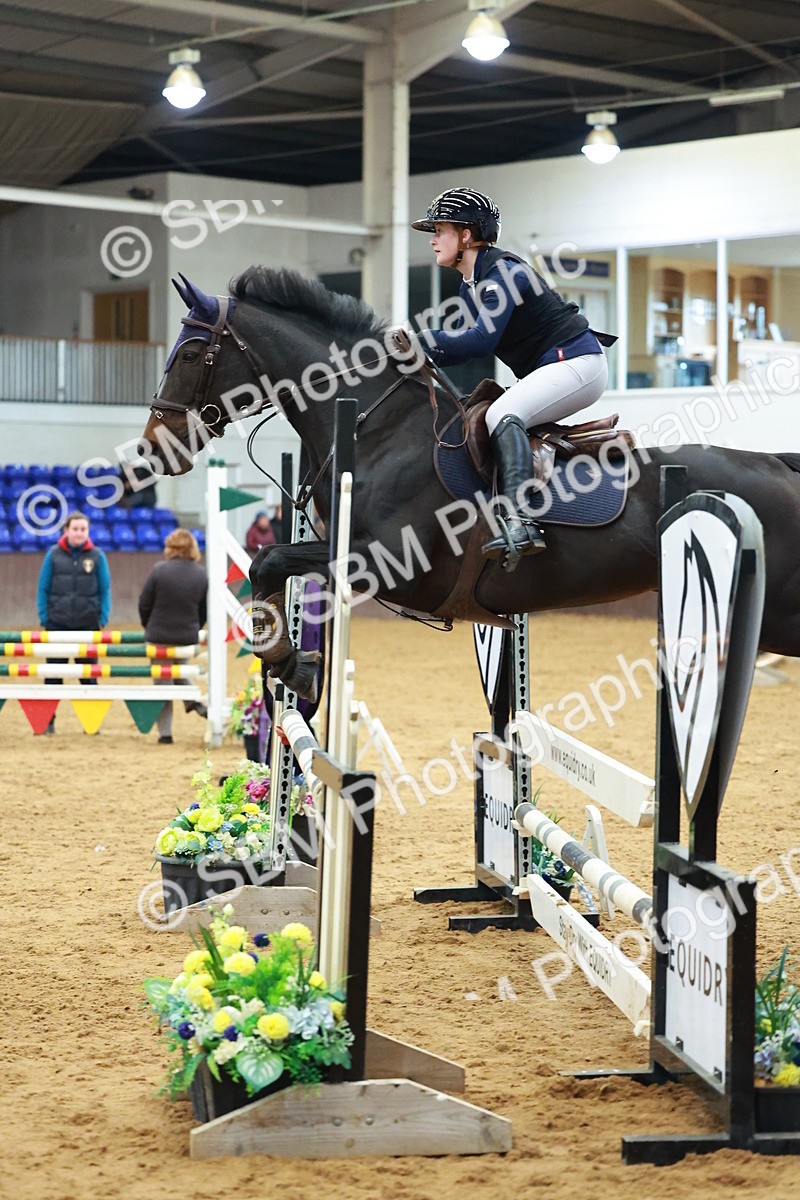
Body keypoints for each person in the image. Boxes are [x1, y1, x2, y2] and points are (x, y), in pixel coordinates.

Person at [410, 186, 612, 566]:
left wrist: (424, 339)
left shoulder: (503, 273)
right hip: (557, 365)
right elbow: (465, 345)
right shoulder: (472, 281)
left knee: (500, 414)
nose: (434, 240)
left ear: (466, 235)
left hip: (578, 363)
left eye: (441, 230)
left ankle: (521, 523)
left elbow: (479, 341)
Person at [37, 511, 112, 732]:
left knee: (88, 676)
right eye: (75, 529)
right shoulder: (53, 555)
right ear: (66, 531)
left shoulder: (98, 556)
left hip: (87, 624)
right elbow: (43, 588)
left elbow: (105, 589)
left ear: (87, 532)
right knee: (53, 675)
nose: (79, 533)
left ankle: (92, 724)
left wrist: (103, 617)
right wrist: (44, 617)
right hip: (57, 624)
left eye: (83, 529)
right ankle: (48, 722)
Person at [138, 528, 208, 744]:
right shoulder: (201, 573)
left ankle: (165, 734)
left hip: (159, 635)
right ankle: (194, 701)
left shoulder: (159, 570)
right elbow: (203, 609)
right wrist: (195, 627)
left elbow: (144, 603)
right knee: (180, 673)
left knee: (162, 683)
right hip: (187, 636)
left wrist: (147, 625)